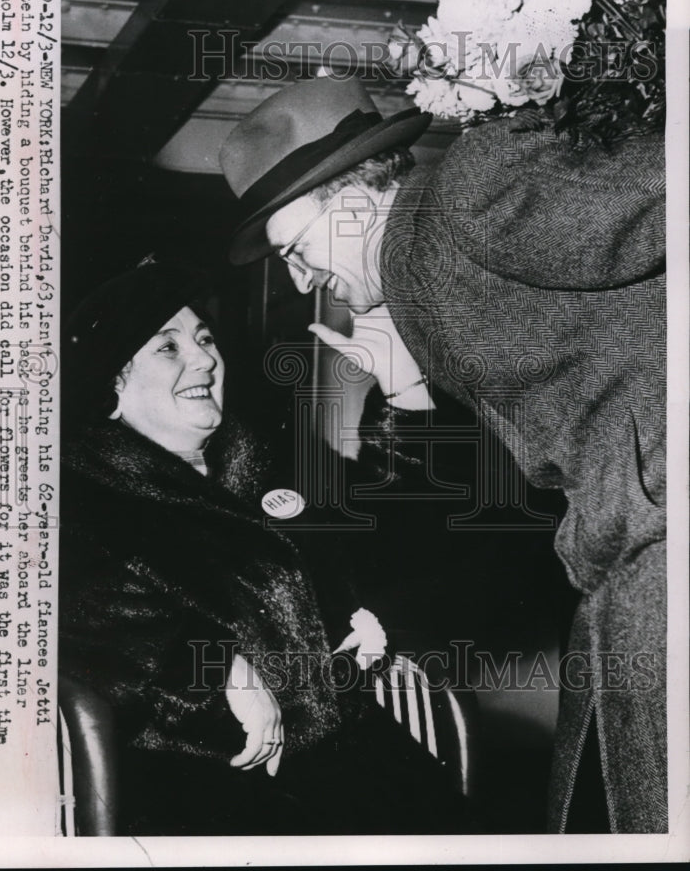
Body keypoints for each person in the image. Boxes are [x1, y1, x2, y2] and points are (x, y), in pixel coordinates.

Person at [219, 74, 667, 833]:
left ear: (353, 196)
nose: (299, 283)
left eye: (295, 251)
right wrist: (413, 397)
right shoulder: (421, 287)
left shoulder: (465, 194)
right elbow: (508, 521)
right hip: (622, 586)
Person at [59, 260, 470, 836]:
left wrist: (405, 391)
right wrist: (220, 666)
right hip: (219, 788)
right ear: (111, 388)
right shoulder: (83, 497)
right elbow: (81, 622)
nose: (204, 358)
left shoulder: (263, 463)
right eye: (166, 348)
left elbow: (402, 540)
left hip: (351, 756)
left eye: (204, 338)